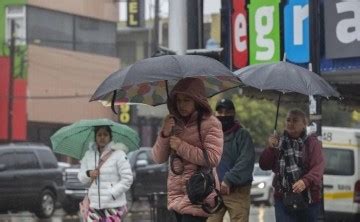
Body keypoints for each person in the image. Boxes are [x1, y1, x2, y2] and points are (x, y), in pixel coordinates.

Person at [152, 77, 224, 222]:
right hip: (175, 197)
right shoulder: (173, 123)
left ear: (197, 101)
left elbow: (212, 158)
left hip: (197, 195)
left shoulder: (211, 123)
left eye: (186, 100)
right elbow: (158, 158)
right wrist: (165, 134)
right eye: (178, 100)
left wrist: (181, 146)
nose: (181, 105)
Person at [259, 109, 324, 222]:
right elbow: (264, 165)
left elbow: (318, 168)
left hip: (308, 199)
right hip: (283, 199)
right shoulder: (278, 142)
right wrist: (270, 148)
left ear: (304, 124)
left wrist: (305, 181)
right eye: (288, 120)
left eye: (295, 120)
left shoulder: (312, 143)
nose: (290, 123)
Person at [207, 98, 255, 222]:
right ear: (215, 114)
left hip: (238, 191)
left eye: (228, 112)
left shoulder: (243, 135)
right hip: (214, 191)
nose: (224, 115)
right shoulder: (211, 135)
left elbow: (246, 161)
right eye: (220, 112)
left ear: (233, 113)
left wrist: (228, 179)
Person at [78, 125, 133, 221]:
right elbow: (81, 177)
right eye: (99, 135)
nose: (102, 137)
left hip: (113, 206)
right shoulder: (88, 155)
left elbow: (127, 179)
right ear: (95, 137)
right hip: (93, 206)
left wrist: (112, 193)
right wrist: (88, 173)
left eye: (105, 134)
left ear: (110, 137)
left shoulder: (119, 154)